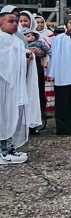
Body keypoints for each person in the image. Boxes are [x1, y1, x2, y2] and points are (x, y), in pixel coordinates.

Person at [0, 10, 32, 163]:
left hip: (14, 86)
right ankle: (4, 151)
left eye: (16, 21)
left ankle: (9, 147)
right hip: (3, 85)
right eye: (10, 21)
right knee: (4, 116)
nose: (15, 24)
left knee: (12, 116)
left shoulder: (17, 40)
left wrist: (26, 56)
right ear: (1, 24)